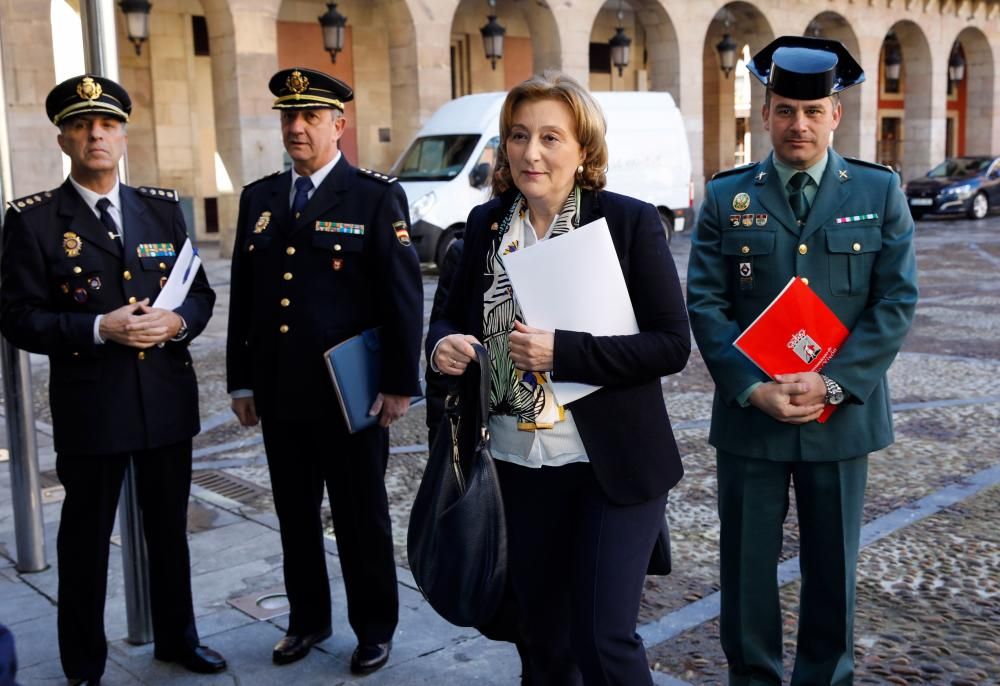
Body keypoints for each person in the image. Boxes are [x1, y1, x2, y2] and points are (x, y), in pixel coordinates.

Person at [427, 71, 690, 686]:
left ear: (584, 150)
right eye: (518, 136)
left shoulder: (627, 223)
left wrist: (563, 353)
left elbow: (671, 344)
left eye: (550, 136)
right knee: (539, 638)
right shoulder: (487, 224)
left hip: (611, 464)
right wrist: (443, 347)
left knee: (602, 638)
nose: (530, 152)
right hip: (517, 463)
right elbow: (445, 317)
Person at [686, 36, 918, 685]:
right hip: (750, 418)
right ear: (766, 115)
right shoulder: (727, 195)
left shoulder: (878, 190)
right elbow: (704, 301)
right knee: (745, 572)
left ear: (836, 115)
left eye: (813, 112)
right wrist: (751, 387)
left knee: (833, 570)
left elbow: (896, 300)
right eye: (786, 110)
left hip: (840, 419)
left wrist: (835, 384)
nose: (799, 125)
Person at [0, 75, 224, 685]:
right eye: (81, 125)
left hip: (164, 402)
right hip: (92, 408)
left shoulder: (161, 208)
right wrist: (99, 327)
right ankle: (83, 666)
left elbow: (199, 294)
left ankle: (178, 639)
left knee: (168, 535)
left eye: (106, 125)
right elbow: (19, 317)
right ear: (63, 139)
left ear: (123, 135)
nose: (95, 135)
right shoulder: (35, 220)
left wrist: (177, 320)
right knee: (85, 545)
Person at [226, 67, 422, 675]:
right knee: (295, 516)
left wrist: (396, 384)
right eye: (289, 116)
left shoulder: (374, 196)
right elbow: (245, 296)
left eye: (311, 116)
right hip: (282, 395)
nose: (297, 127)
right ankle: (307, 620)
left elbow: (402, 299)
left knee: (361, 516)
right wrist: (242, 379)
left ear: (340, 124)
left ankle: (374, 628)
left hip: (351, 395)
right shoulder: (260, 199)